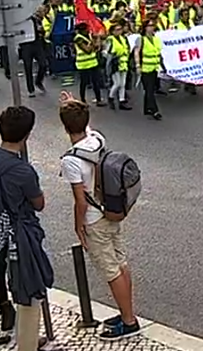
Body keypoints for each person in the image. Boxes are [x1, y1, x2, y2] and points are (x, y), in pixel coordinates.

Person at [59, 95, 140, 340]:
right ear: (86, 121)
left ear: (64, 127)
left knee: (110, 270)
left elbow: (80, 201)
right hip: (111, 211)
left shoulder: (70, 160)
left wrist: (78, 226)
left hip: (95, 219)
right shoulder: (96, 139)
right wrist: (76, 105)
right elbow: (88, 129)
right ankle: (128, 313)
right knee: (120, 262)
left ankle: (128, 322)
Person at [0, 106, 51, 351]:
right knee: (28, 290)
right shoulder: (23, 171)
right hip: (18, 236)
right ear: (27, 135)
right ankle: (27, 345)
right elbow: (38, 204)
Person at [134, 20, 163, 120]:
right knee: (150, 90)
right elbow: (136, 52)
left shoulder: (156, 39)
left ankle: (147, 108)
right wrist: (138, 65)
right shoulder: (141, 39)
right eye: (149, 26)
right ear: (145, 27)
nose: (151, 27)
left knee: (149, 89)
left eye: (153, 25)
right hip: (145, 69)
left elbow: (159, 52)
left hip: (154, 67)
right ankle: (155, 110)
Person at [74, 22, 105, 106]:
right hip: (83, 64)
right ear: (82, 30)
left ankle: (99, 100)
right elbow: (87, 50)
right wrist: (92, 43)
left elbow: (96, 47)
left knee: (96, 82)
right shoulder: (78, 39)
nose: (89, 30)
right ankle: (83, 100)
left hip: (93, 63)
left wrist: (97, 39)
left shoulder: (90, 36)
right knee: (84, 82)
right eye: (87, 29)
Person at [105, 21, 132, 111]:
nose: (119, 31)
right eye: (117, 30)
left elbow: (127, 49)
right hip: (115, 64)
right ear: (112, 31)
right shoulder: (110, 40)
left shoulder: (123, 38)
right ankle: (111, 97)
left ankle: (122, 101)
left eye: (120, 29)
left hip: (123, 63)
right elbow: (106, 53)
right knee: (117, 83)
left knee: (123, 84)